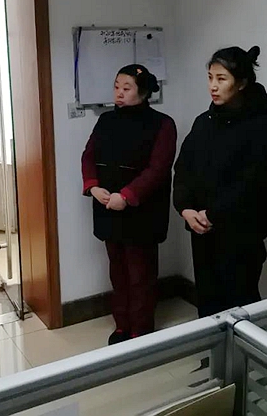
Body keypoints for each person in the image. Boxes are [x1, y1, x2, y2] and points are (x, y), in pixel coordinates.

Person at [173, 46, 267, 318]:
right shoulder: (203, 122)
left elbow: (254, 184)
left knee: (240, 303)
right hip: (201, 229)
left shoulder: (263, 127)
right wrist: (185, 208)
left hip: (240, 234)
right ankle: (212, 346)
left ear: (241, 83)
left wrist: (213, 214)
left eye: (221, 79)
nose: (213, 86)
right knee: (208, 302)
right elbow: (183, 168)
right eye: (210, 78)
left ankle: (243, 349)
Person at [81, 64, 177, 345]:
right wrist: (93, 186)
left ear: (144, 93)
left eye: (126, 88)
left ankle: (141, 330)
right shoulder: (106, 120)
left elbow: (158, 169)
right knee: (118, 272)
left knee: (140, 274)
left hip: (142, 211)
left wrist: (126, 195)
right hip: (108, 206)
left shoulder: (162, 124)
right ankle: (122, 325)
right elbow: (88, 156)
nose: (119, 93)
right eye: (116, 87)